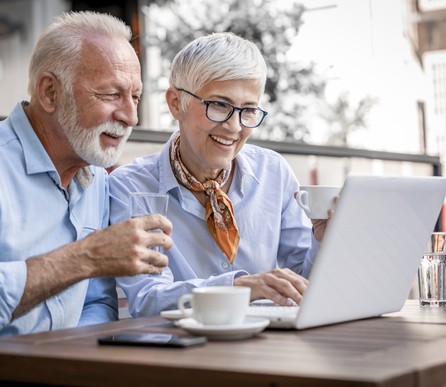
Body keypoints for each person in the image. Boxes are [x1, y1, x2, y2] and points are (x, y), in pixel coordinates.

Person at [0, 11, 172, 386]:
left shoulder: (94, 177)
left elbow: (96, 304)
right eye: (111, 94)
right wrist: (87, 256)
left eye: (136, 97)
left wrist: (65, 363)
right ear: (50, 92)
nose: (131, 116)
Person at [109, 32, 328, 317]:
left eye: (248, 110)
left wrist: (323, 241)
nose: (235, 126)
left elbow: (302, 283)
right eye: (220, 105)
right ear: (176, 103)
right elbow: (149, 299)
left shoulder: (274, 173)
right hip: (174, 353)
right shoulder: (130, 187)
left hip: (259, 348)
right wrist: (239, 287)